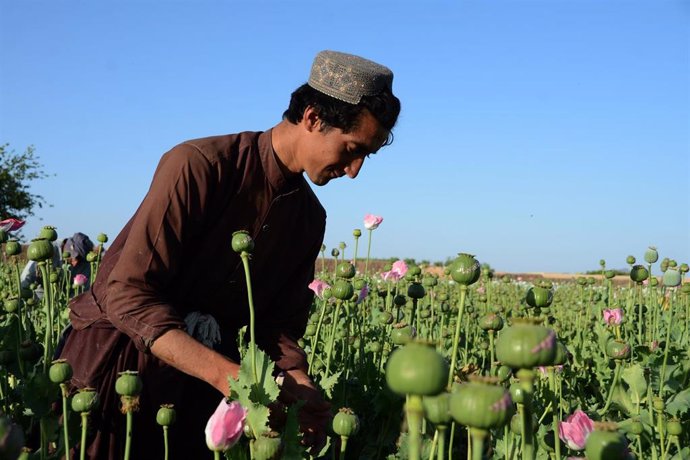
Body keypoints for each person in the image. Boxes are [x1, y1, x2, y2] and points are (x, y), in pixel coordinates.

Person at [58, 50, 401, 459]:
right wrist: (229, 376)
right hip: (117, 371)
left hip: (205, 387)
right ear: (312, 118)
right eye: (351, 148)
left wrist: (302, 392)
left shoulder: (309, 219)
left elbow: (277, 330)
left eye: (367, 156)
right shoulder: (200, 166)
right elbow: (127, 294)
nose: (354, 170)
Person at [20, 232, 95, 298]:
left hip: (66, 300)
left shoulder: (86, 263)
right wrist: (22, 296)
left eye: (80, 259)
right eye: (75, 256)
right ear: (67, 246)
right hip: (40, 295)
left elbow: (82, 292)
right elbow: (26, 276)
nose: (75, 263)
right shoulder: (48, 249)